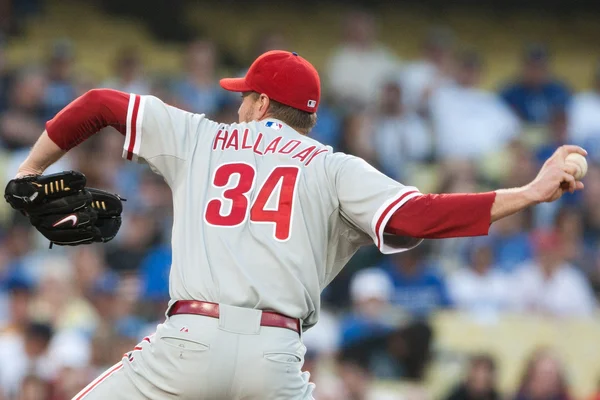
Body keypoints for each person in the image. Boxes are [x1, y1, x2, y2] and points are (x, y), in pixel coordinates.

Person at [13, 49, 586, 399]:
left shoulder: (201, 137)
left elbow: (100, 103)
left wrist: (31, 168)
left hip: (187, 343)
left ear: (262, 104)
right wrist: (529, 193)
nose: (239, 105)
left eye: (245, 97)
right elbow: (417, 218)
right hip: (275, 358)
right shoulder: (336, 169)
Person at [500, 44, 571, 125]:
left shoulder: (559, 93)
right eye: (532, 67)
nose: (536, 73)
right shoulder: (509, 93)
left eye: (540, 67)